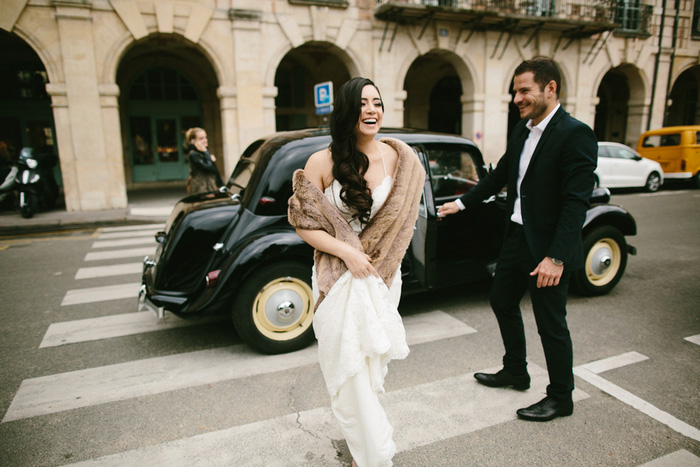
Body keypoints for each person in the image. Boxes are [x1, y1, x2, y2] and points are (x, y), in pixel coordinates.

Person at [438, 57, 597, 422]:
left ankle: (561, 397)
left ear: (550, 88)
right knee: (502, 301)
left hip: (549, 248)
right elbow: (500, 177)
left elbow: (576, 203)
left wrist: (556, 257)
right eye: (515, 91)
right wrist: (461, 204)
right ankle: (516, 370)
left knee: (550, 323)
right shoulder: (523, 130)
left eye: (524, 90)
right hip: (517, 236)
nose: (517, 98)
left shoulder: (575, 134)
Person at [288, 77, 425, 466]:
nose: (372, 110)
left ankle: (365, 445)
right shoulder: (321, 162)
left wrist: (379, 262)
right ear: (347, 110)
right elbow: (302, 222)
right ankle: (375, 454)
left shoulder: (401, 159)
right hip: (337, 277)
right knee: (347, 371)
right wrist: (347, 253)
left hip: (383, 278)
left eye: (377, 103)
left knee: (367, 369)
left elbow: (405, 220)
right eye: (363, 103)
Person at [185, 127, 223, 194]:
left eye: (205, 137)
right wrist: (207, 154)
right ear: (193, 141)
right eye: (201, 138)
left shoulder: (204, 152)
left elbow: (214, 172)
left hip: (210, 187)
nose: (205, 140)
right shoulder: (193, 154)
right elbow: (208, 168)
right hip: (200, 190)